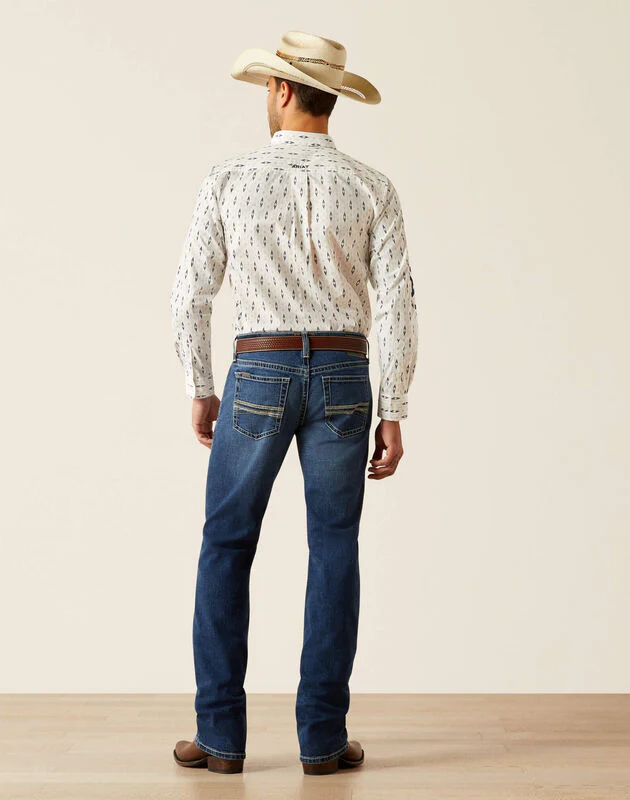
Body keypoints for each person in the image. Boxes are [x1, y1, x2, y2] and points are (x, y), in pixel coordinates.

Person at [170, 30, 418, 776]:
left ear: (281, 90)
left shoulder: (229, 178)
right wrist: (394, 407)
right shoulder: (372, 186)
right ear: (330, 97)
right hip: (345, 373)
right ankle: (322, 740)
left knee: (226, 545)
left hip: (259, 370)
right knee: (334, 548)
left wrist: (202, 386)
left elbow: (190, 296)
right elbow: (398, 307)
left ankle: (220, 738)